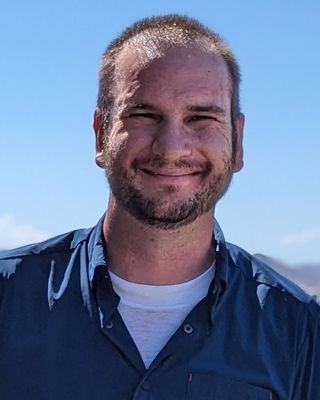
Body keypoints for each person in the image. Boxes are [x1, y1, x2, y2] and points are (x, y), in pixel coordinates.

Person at [0, 14, 319, 400]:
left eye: (201, 118)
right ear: (101, 136)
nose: (171, 148)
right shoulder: (8, 298)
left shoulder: (299, 328)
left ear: (237, 143)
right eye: (144, 115)